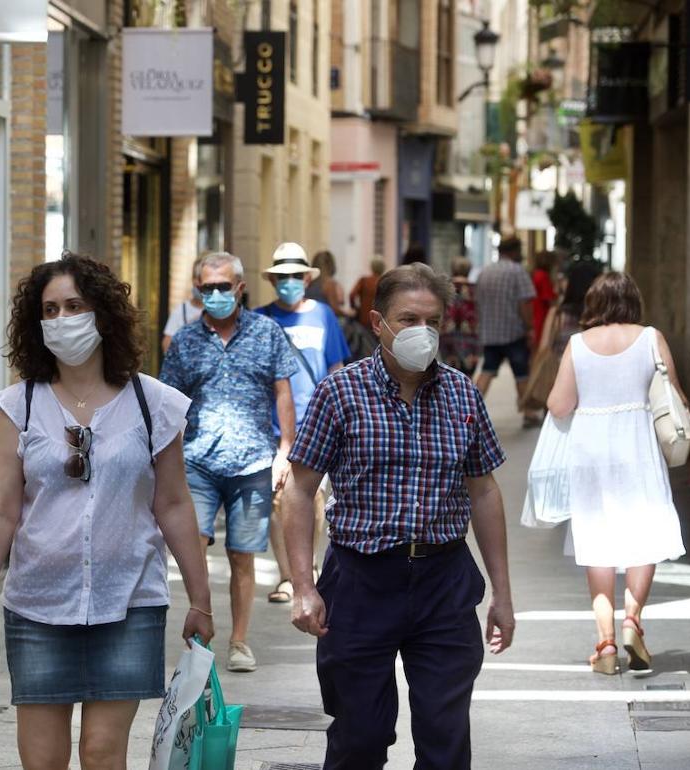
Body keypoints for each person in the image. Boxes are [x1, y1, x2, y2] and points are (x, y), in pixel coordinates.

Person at [0, 253, 214, 768]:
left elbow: (173, 504)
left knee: (102, 752)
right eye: (49, 310)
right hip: (37, 605)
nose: (61, 319)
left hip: (129, 603)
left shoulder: (155, 403)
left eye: (74, 306)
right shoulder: (20, 405)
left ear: (102, 314)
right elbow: (1, 509)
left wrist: (201, 599)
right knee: (43, 758)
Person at [282, 263, 515, 768]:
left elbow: (485, 492)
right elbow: (299, 491)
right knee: (359, 737)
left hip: (444, 582)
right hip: (361, 581)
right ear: (377, 322)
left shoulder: (462, 395)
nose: (421, 333)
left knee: (445, 736)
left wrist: (502, 592)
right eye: (408, 319)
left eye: (432, 322)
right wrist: (303, 585)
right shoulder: (340, 394)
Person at [546, 272, 690, 675]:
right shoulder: (650, 338)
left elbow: (559, 405)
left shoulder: (578, 345)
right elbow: (675, 398)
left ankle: (606, 643)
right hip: (638, 444)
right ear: (633, 301)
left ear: (593, 303)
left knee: (598, 542)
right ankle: (632, 621)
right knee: (642, 537)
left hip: (591, 450)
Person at [159, 251, 298, 673]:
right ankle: (201, 630)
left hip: (252, 461)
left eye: (223, 286)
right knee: (192, 548)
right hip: (197, 462)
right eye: (207, 287)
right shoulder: (184, 340)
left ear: (239, 288)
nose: (215, 294)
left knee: (242, 555)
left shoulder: (266, 332)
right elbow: (170, 404)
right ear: (197, 291)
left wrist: (285, 451)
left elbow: (283, 393)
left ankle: (239, 641)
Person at [254, 242, 350, 605]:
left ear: (307, 278)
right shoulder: (261, 319)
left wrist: (343, 416)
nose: (289, 282)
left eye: (296, 276)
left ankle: (307, 568)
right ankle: (287, 576)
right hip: (274, 426)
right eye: (282, 277)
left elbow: (335, 368)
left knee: (316, 499)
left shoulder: (323, 315)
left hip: (318, 422)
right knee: (280, 499)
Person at [475, 237, 539, 427]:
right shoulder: (517, 271)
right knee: (521, 374)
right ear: (514, 251)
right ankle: (528, 413)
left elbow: (478, 301)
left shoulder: (485, 272)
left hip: (491, 333)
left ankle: (470, 410)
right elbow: (525, 303)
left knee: (487, 371)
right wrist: (529, 327)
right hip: (514, 332)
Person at [537, 259, 602, 360]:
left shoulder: (557, 314)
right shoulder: (600, 315)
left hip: (561, 370)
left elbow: (544, 347)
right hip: (591, 371)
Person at [440, 256, 481, 377]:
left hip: (447, 334)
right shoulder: (475, 289)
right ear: (469, 270)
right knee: (467, 375)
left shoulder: (444, 288)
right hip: (470, 336)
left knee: (448, 373)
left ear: (452, 270)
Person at [162, 256, 205, 352]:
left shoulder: (221, 312)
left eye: (202, 279)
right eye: (196, 278)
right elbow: (167, 345)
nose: (197, 283)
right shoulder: (181, 311)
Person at [530, 250, 560, 346]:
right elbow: (550, 300)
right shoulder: (543, 276)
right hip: (542, 315)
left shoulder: (535, 274)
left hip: (534, 314)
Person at [305, 249, 349, 314]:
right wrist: (347, 313)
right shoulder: (329, 284)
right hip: (323, 319)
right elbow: (334, 309)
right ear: (331, 265)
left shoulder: (308, 282)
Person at [348, 255, 385, 330]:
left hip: (364, 318)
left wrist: (355, 308)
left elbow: (352, 295)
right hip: (380, 320)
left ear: (371, 267)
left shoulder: (364, 281)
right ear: (383, 267)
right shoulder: (385, 282)